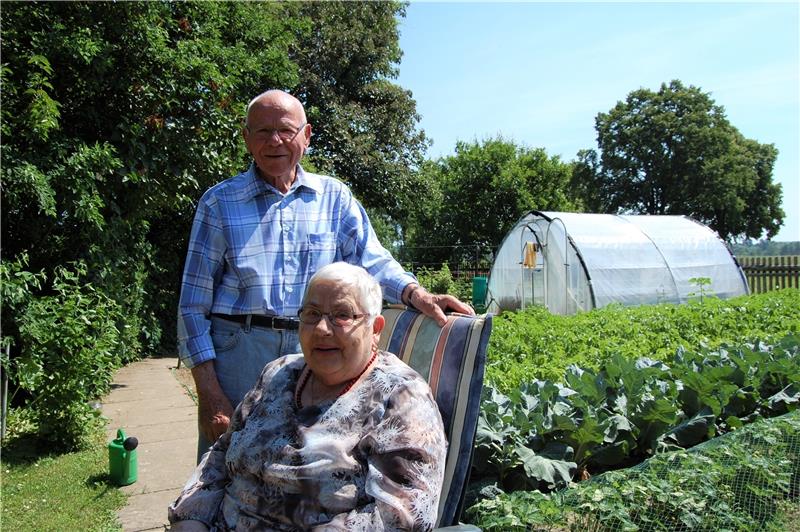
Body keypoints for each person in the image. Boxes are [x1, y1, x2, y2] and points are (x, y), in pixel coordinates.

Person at [178, 89, 472, 460]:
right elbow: (192, 306)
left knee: (306, 464)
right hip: (241, 350)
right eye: (262, 131)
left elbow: (371, 261)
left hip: (318, 348)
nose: (274, 141)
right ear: (246, 137)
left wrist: (417, 294)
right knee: (226, 459)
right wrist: (209, 393)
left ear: (306, 135)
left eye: (286, 130)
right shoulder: (219, 202)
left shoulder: (334, 197)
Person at [169, 263, 448, 531]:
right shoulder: (278, 373)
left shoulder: (402, 397)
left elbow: (402, 515)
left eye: (342, 315)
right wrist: (190, 517)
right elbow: (221, 453)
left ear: (375, 329)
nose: (322, 329)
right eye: (312, 314)